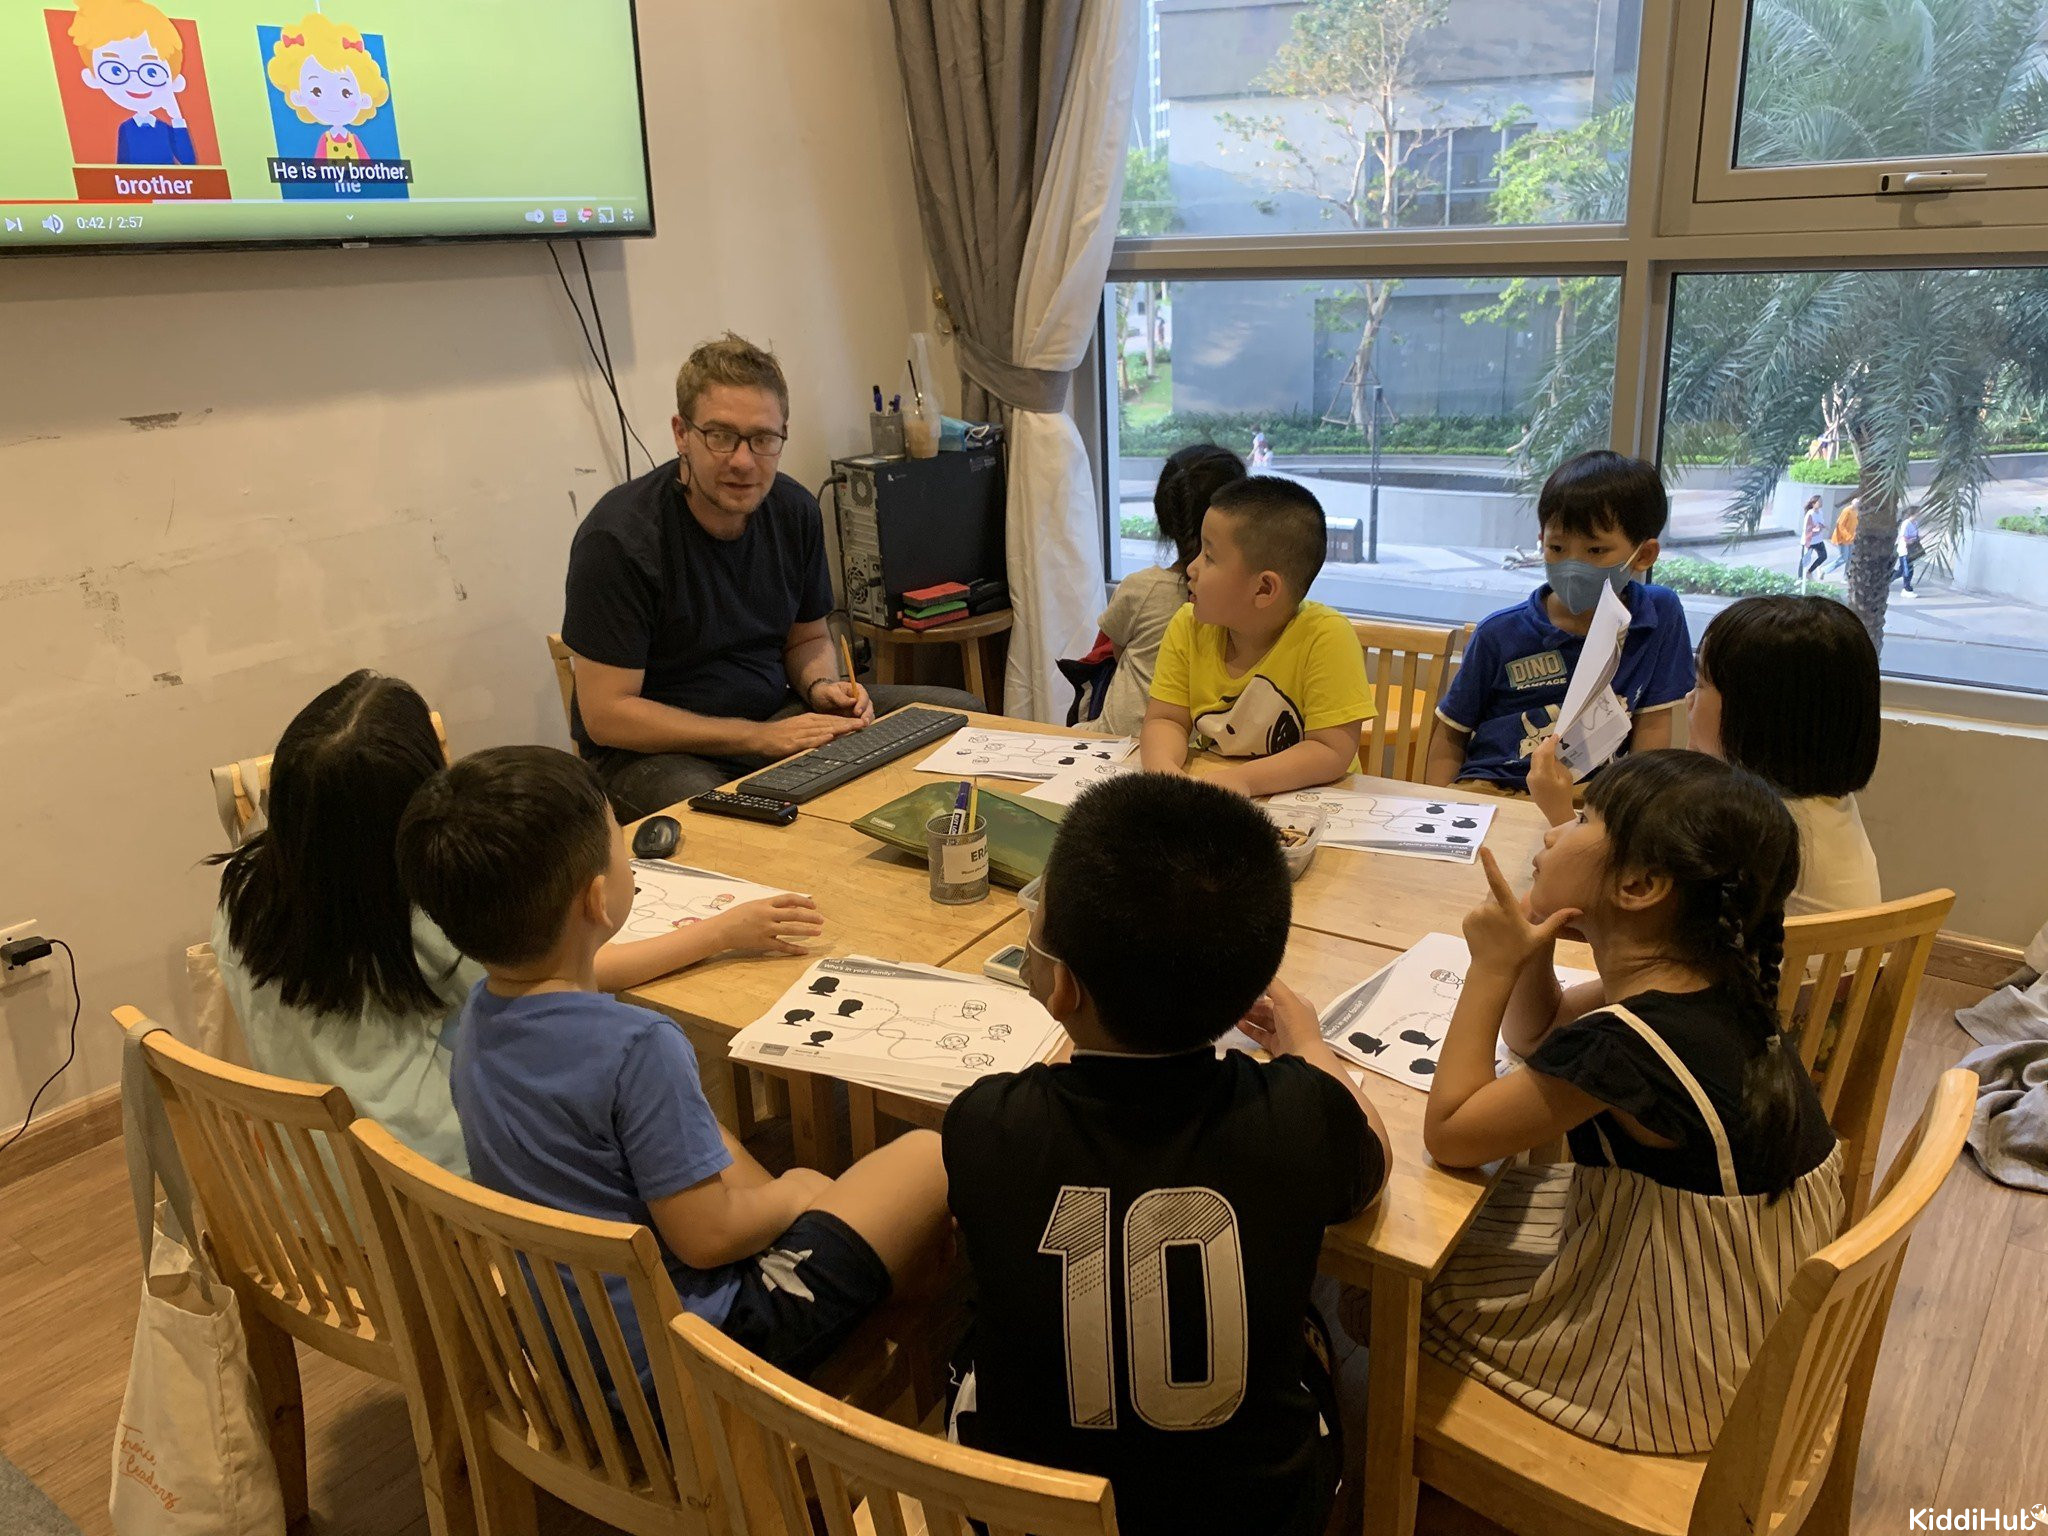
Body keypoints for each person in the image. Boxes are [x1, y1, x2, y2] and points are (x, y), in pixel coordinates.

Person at [395, 746, 952, 1397]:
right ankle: (895, 1340)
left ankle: (859, 1275)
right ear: (598, 899)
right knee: (926, 1154)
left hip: (576, 1348)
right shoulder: (638, 1046)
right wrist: (795, 1193)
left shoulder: (479, 1015)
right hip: (693, 1363)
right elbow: (707, 1240)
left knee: (719, 1138)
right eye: (620, 844)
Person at [944, 774, 1388, 1535]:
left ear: (1062, 988)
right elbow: (1372, 1149)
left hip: (1027, 1518)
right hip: (1256, 1518)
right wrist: (1308, 1044)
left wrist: (1079, 1020)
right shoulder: (1298, 1115)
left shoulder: (987, 1123)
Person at [210, 671, 821, 1175]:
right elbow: (564, 971)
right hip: (450, 1187)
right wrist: (719, 933)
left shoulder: (244, 893)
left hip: (317, 1189)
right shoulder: (417, 915)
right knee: (685, 1134)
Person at [1420, 751, 1843, 1454]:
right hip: (1743, 1311)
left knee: (1385, 1295)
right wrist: (1530, 943)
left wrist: (1489, 966)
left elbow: (1451, 1134)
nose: (1555, 830)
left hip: (1663, 1368)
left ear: (1641, 886)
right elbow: (1538, 1033)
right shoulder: (1702, 982)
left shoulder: (1631, 1047)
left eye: (1584, 818)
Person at [563, 334, 980, 821]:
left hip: (773, 717)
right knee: (729, 818)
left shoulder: (794, 510)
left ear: (782, 435)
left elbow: (807, 639)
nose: (743, 461)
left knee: (960, 716)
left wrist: (821, 686)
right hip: (652, 753)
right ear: (681, 434)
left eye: (762, 439)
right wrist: (755, 738)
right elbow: (608, 715)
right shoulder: (619, 539)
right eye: (720, 436)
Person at [1426, 451, 1694, 796]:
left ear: (1643, 555)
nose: (1572, 564)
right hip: (1496, 787)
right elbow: (1451, 732)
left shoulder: (1658, 616)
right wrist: (1437, 805)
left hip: (1591, 795)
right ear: (1541, 540)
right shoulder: (1498, 634)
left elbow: (1653, 727)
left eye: (1595, 551)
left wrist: (1636, 810)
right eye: (1557, 547)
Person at [1139, 476, 1375, 796]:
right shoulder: (1188, 625)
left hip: (1311, 802)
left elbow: (1330, 750)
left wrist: (1242, 781)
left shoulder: (1326, 636)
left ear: (1264, 588)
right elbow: (1166, 720)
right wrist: (1165, 776)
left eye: (1209, 557)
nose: (1191, 568)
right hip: (1221, 794)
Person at [1685, 596, 1882, 915]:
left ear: (1754, 715)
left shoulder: (1748, 828)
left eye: (1701, 684)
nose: (1689, 699)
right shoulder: (1827, 806)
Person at [1095, 444, 1247, 737]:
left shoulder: (1142, 589)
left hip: (1120, 742)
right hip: (1191, 749)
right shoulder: (1247, 603)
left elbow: (1117, 653)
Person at [69, 0, 194, 166]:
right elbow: (121, 165)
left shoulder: (164, 128)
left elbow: (188, 160)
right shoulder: (126, 128)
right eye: (116, 71)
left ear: (174, 81)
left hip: (169, 181)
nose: (136, 82)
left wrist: (176, 117)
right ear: (93, 78)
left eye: (151, 72)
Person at [266, 13, 392, 164]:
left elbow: (367, 164)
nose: (333, 102)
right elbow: (318, 166)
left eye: (346, 93)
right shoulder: (325, 140)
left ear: (364, 99)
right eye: (316, 91)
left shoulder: (353, 139)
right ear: (298, 97)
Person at [1827, 497, 1859, 573]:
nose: (1857, 504)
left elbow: (1855, 524)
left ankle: (1846, 576)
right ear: (1852, 502)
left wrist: (1854, 535)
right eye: (1856, 502)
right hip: (1843, 538)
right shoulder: (1846, 511)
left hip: (1851, 539)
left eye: (1858, 503)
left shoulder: (1856, 511)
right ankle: (1824, 570)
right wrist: (1848, 536)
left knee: (1850, 558)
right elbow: (1840, 525)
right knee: (1843, 558)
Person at [1896, 509, 1924, 597]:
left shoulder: (1915, 523)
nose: (1919, 515)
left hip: (1912, 549)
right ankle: (1906, 589)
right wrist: (1910, 540)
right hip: (1905, 550)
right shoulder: (1906, 524)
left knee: (1902, 570)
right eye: (1918, 513)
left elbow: (1915, 535)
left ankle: (1887, 579)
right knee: (1907, 570)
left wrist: (1918, 538)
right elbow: (1904, 537)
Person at [1800, 495, 1828, 579]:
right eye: (1819, 501)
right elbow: (1807, 529)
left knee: (1823, 556)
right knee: (1804, 560)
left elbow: (1821, 523)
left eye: (1821, 501)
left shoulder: (1820, 512)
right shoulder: (1810, 514)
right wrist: (1817, 529)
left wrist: (1823, 526)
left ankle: (1809, 572)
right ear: (1813, 504)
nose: (1821, 502)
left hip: (1818, 540)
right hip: (1809, 541)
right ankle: (1800, 578)